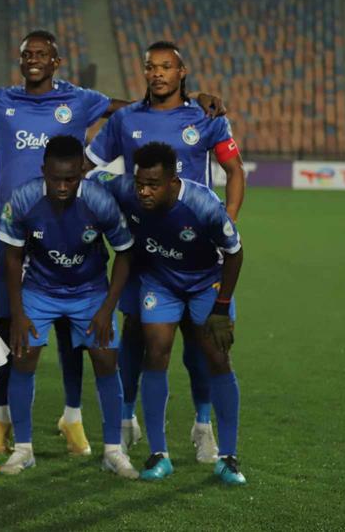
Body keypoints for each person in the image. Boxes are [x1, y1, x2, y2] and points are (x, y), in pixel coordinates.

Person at [0, 30, 225, 457]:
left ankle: (73, 417)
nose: (33, 59)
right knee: (6, 327)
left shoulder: (80, 99)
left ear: (56, 61)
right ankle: (2, 421)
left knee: (71, 331)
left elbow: (132, 108)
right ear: (20, 61)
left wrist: (190, 98)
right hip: (12, 230)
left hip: (68, 228)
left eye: (42, 54)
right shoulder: (2, 99)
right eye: (27, 54)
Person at [85, 41, 245, 460]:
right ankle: (126, 420)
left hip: (194, 249)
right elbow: (89, 169)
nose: (157, 73)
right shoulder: (125, 120)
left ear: (181, 72)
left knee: (199, 344)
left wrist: (226, 221)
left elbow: (234, 170)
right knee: (136, 334)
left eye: (166, 67)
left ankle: (203, 426)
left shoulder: (206, 117)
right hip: (142, 247)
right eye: (151, 67)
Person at [95, 142, 246, 485]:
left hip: (205, 283)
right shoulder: (127, 189)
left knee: (218, 358)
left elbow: (235, 253)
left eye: (153, 185)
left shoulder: (203, 204)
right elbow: (91, 177)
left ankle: (228, 457)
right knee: (156, 351)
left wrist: (222, 307)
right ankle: (159, 454)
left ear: (172, 182)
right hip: (160, 281)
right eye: (140, 184)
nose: (144, 192)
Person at [0, 136, 138, 478]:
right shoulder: (24, 199)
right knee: (23, 356)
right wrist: (18, 313)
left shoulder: (99, 202)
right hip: (40, 289)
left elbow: (125, 253)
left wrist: (107, 308)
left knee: (106, 359)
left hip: (89, 291)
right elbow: (11, 258)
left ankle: (113, 451)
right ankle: (23, 450)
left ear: (81, 173)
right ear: (43, 171)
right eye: (55, 178)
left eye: (71, 179)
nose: (62, 186)